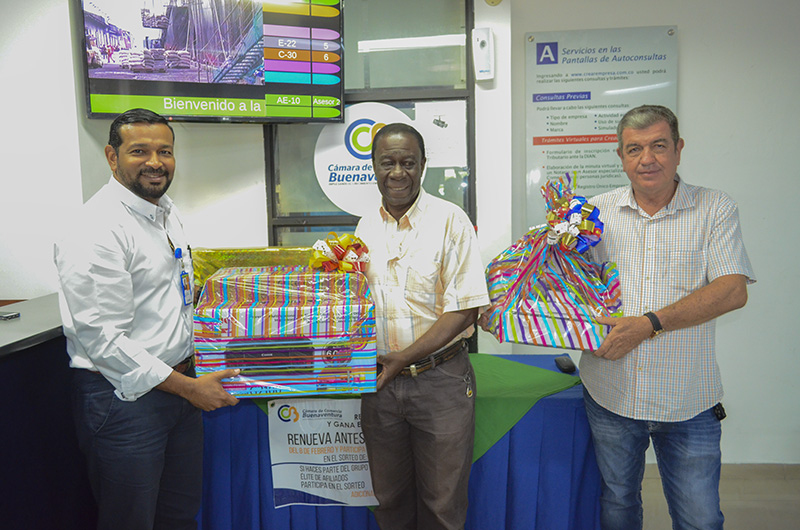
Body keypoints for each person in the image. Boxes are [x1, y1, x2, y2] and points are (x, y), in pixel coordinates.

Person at [54, 108, 240, 530]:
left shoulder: (165, 212)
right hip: (124, 401)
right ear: (112, 156)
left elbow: (170, 296)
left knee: (177, 517)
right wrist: (189, 388)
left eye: (165, 151)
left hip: (177, 390)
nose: (155, 162)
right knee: (131, 521)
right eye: (139, 151)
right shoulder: (96, 227)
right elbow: (103, 339)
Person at [581, 105, 756, 529]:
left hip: (687, 399)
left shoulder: (714, 207)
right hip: (611, 393)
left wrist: (648, 324)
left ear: (678, 149)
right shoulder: (593, 215)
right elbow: (573, 287)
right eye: (634, 149)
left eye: (659, 146)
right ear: (620, 156)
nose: (647, 159)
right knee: (617, 504)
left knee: (700, 518)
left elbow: (732, 290)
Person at [355, 123, 490, 530]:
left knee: (442, 506)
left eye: (408, 163)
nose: (398, 173)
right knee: (388, 502)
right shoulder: (364, 227)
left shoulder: (451, 221)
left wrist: (403, 359)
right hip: (379, 384)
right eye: (388, 163)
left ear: (423, 165)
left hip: (440, 383)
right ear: (373, 167)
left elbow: (464, 311)